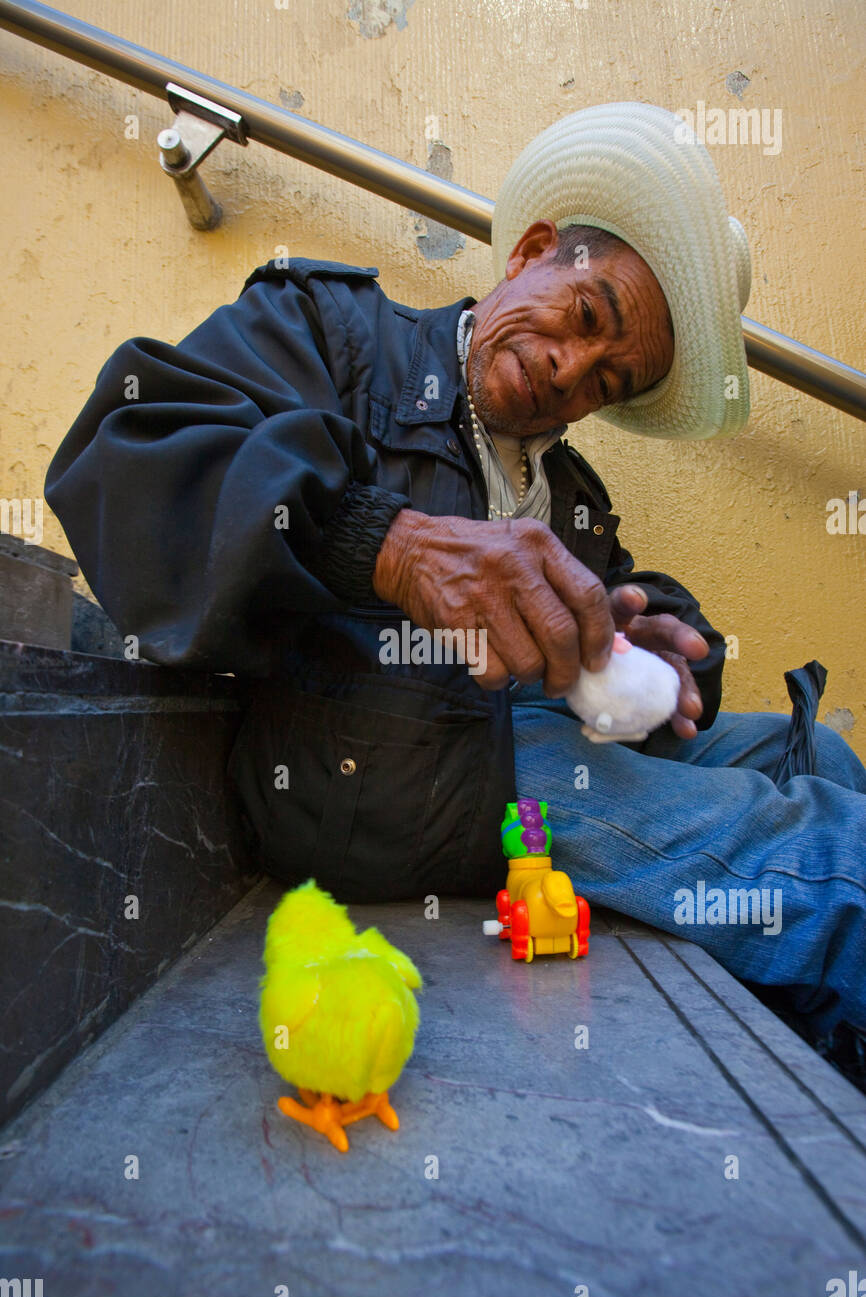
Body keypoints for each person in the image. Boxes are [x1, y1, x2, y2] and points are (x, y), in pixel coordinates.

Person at [44, 103, 866, 1048]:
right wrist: (390, 546)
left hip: (544, 748)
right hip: (401, 768)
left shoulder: (571, 492)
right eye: (586, 316)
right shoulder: (336, 331)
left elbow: (627, 600)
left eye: (607, 381)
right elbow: (129, 455)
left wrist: (662, 643)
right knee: (823, 856)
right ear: (532, 252)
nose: (570, 369)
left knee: (821, 758)